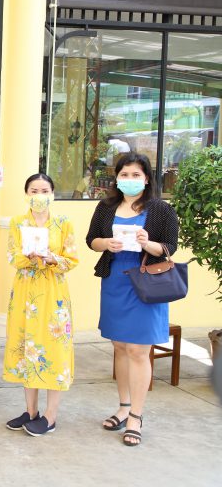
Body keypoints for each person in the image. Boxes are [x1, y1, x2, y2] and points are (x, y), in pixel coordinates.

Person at [86, 152, 179, 447]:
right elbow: (92, 240)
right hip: (115, 282)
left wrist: (146, 242)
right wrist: (106, 243)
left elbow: (169, 249)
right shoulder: (106, 206)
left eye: (136, 175)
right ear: (117, 178)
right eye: (124, 174)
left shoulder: (161, 209)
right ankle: (123, 406)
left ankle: (137, 415)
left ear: (147, 178)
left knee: (139, 350)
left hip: (146, 286)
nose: (129, 180)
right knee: (121, 348)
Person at [3, 174, 78, 436]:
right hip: (25, 293)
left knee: (53, 349)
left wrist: (52, 258)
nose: (38, 195)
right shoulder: (17, 222)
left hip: (53, 293)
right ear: (26, 194)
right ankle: (30, 410)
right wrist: (30, 257)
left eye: (44, 190)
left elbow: (72, 260)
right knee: (27, 347)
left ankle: (50, 416)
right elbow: (13, 256)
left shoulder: (63, 223)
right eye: (33, 190)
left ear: (52, 194)